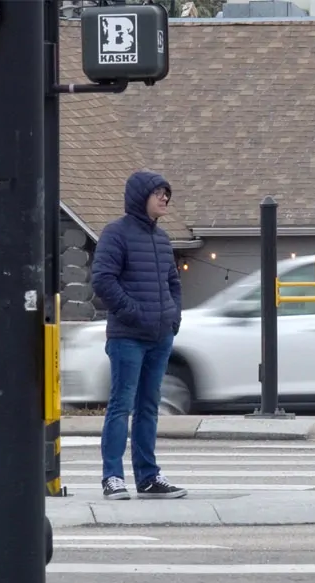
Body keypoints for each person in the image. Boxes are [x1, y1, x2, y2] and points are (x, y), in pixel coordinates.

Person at [90, 170, 187, 500]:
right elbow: (103, 280)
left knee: (149, 407)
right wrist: (136, 313)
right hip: (127, 338)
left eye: (166, 193)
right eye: (158, 193)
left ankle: (148, 476)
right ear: (139, 197)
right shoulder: (115, 234)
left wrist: (173, 317)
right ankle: (112, 477)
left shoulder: (161, 239)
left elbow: (173, 283)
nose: (164, 199)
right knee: (121, 406)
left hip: (160, 337)